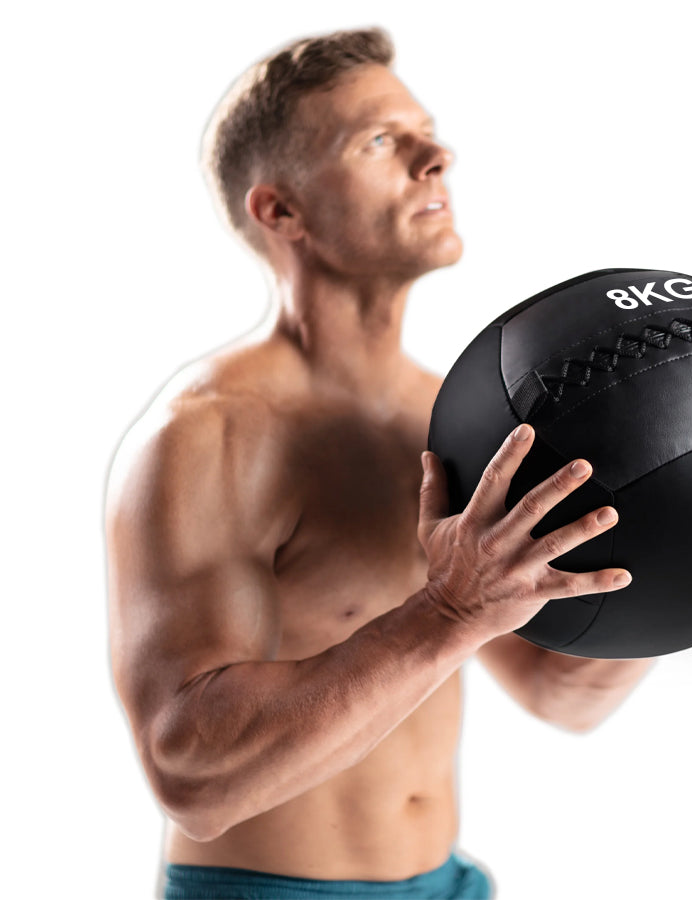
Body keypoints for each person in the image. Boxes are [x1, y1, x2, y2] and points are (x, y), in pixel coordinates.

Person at [105, 27, 656, 900]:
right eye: (378, 142)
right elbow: (193, 779)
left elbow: (560, 694)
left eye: (425, 131)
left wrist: (674, 554)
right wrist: (446, 610)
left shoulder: (451, 417)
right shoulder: (210, 434)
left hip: (450, 882)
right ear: (281, 212)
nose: (436, 156)